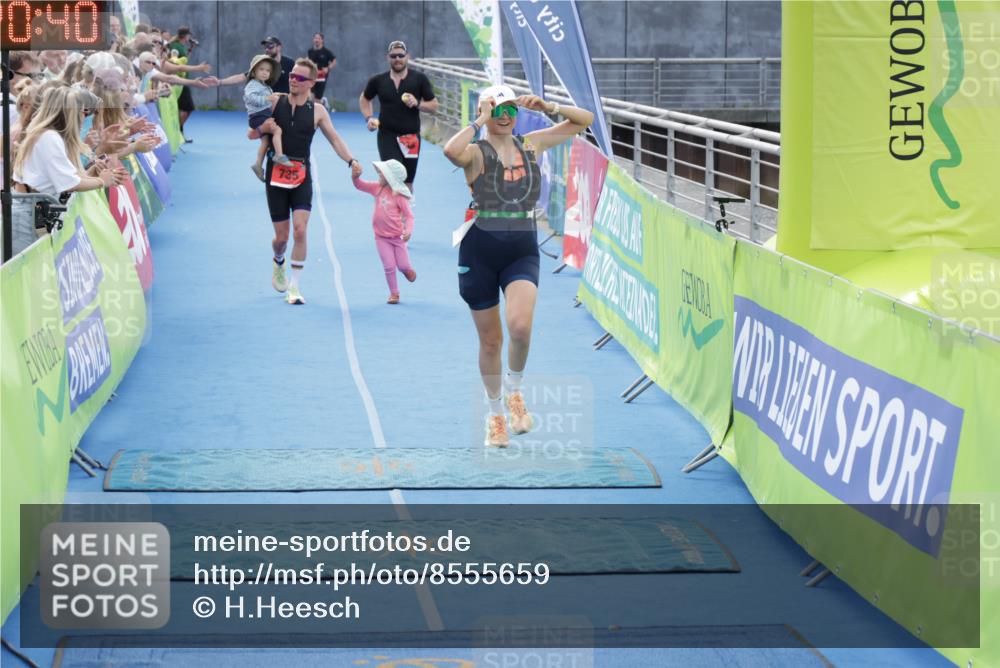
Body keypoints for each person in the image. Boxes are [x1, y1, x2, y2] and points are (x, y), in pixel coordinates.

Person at [443, 84, 594, 447]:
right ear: (486, 112)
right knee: (491, 340)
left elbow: (583, 121)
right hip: (479, 248)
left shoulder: (532, 143)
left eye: (510, 108)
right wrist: (479, 119)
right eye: (497, 109)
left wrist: (550, 104)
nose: (506, 115)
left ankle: (514, 390)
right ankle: (494, 415)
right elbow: (451, 151)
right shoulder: (476, 152)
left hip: (521, 247)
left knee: (521, 328)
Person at [261, 58, 361, 305]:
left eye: (300, 78)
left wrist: (351, 161)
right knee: (281, 238)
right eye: (292, 76)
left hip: (301, 174)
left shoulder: (318, 111)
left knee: (301, 229)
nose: (293, 80)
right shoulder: (274, 102)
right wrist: (260, 126)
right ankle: (278, 259)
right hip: (275, 174)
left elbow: (335, 139)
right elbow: (252, 131)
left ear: (311, 83)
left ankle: (294, 288)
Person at [9, 86, 127, 256]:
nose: (83, 116)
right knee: (30, 274)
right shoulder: (49, 137)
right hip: (28, 213)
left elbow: (66, 179)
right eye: (83, 111)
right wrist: (103, 181)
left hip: (34, 210)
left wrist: (93, 172)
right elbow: (69, 183)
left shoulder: (49, 135)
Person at [359, 40, 438, 192]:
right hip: (387, 135)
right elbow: (365, 98)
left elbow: (434, 105)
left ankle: (406, 214)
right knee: (392, 177)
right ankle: (392, 214)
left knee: (407, 182)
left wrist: (417, 104)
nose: (397, 59)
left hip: (411, 137)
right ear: (387, 57)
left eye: (401, 55)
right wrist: (368, 118)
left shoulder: (419, 79)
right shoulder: (378, 80)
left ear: (407, 56)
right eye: (393, 56)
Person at [352, 159, 416, 304]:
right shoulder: (377, 188)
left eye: (381, 174)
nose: (378, 175)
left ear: (390, 178)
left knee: (403, 265)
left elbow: (409, 216)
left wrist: (408, 230)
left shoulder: (399, 196)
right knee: (388, 266)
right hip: (381, 238)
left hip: (398, 238)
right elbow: (359, 185)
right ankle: (394, 293)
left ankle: (407, 270)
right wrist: (355, 177)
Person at [243, 55, 292, 181]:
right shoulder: (252, 85)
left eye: (268, 71)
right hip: (258, 116)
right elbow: (251, 98)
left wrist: (277, 95)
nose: (265, 73)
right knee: (277, 130)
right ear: (254, 71)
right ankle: (279, 155)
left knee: (265, 141)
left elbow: (270, 97)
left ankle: (258, 164)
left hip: (262, 114)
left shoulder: (265, 86)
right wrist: (267, 98)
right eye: (261, 69)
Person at [307, 33, 336, 107]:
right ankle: (312, 115)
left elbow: (334, 61)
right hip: (312, 75)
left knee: (317, 99)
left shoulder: (326, 52)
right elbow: (309, 61)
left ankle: (322, 102)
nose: (316, 40)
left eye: (318, 38)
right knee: (311, 97)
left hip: (322, 77)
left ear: (322, 40)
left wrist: (328, 68)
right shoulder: (310, 51)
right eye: (315, 38)